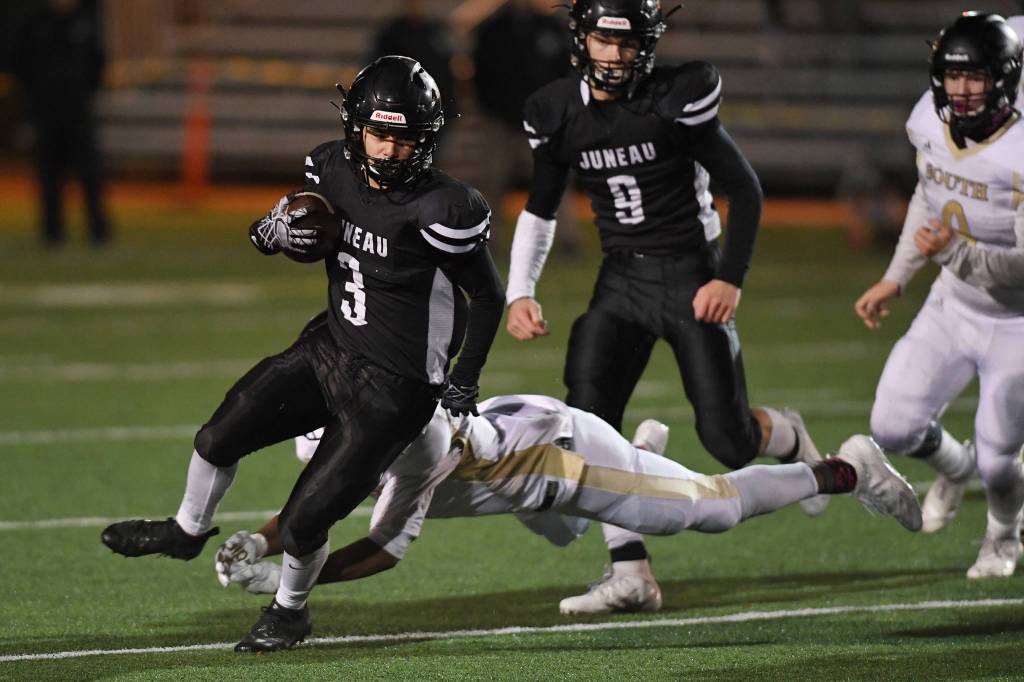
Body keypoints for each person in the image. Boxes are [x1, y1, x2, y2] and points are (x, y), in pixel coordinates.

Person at [99, 56, 506, 652]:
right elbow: (305, 231)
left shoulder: (445, 207)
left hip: (397, 387)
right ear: (355, 128)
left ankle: (290, 611)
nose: (391, 151)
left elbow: (488, 296)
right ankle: (186, 530)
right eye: (380, 134)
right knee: (217, 436)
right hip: (331, 345)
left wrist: (464, 376)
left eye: (405, 138)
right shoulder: (330, 168)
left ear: (428, 138)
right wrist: (271, 233)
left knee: (303, 523)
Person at [504, 0, 829, 610]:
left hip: (690, 276)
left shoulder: (673, 99)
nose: (615, 55)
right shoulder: (556, 110)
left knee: (727, 441)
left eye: (628, 44)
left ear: (647, 47)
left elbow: (746, 191)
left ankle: (787, 435)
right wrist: (521, 290)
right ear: (582, 37)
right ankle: (631, 572)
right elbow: (542, 209)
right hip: (621, 280)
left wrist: (729, 278)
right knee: (588, 426)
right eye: (604, 39)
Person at [212, 395, 922, 611]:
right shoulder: (370, 436)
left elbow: (382, 551)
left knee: (708, 509)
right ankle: (644, 457)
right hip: (519, 473)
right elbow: (316, 506)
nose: (336, 471)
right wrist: (262, 540)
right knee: (558, 538)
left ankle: (843, 470)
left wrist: (288, 581)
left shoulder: (410, 457)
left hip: (563, 461)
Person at [854, 13, 1024, 578]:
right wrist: (896, 276)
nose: (963, 89)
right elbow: (929, 201)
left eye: (976, 76)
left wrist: (955, 253)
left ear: (1004, 77)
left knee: (1002, 459)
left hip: (1016, 322)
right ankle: (954, 467)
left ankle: (1003, 537)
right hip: (953, 304)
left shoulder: (1019, 150)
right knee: (892, 425)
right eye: (954, 75)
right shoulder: (928, 122)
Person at [11, 0, 110, 247]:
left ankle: (99, 231)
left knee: (89, 173)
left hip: (78, 110)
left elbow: (97, 60)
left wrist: (86, 92)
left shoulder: (85, 20)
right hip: (46, 112)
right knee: (49, 173)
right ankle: (52, 233)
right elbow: (21, 63)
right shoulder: (34, 21)